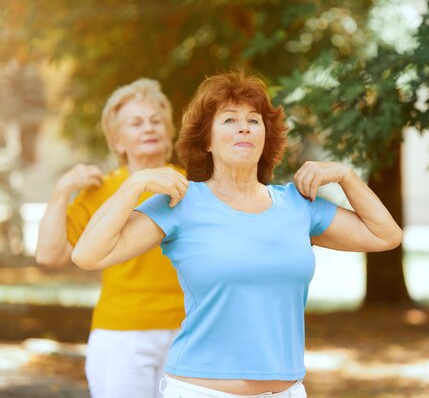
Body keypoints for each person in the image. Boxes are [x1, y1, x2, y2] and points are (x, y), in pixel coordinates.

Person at [71, 71, 403, 398]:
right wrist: (135, 184)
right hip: (202, 391)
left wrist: (346, 176)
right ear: (206, 140)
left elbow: (385, 235)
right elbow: (88, 254)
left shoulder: (298, 205)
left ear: (265, 136)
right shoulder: (182, 203)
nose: (243, 126)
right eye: (229, 120)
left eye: (254, 119)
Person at [35, 79, 185, 398]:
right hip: (122, 337)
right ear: (117, 142)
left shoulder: (190, 185)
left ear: (169, 132)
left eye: (156, 121)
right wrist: (63, 189)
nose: (149, 128)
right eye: (136, 123)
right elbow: (50, 256)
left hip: (189, 333)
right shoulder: (100, 189)